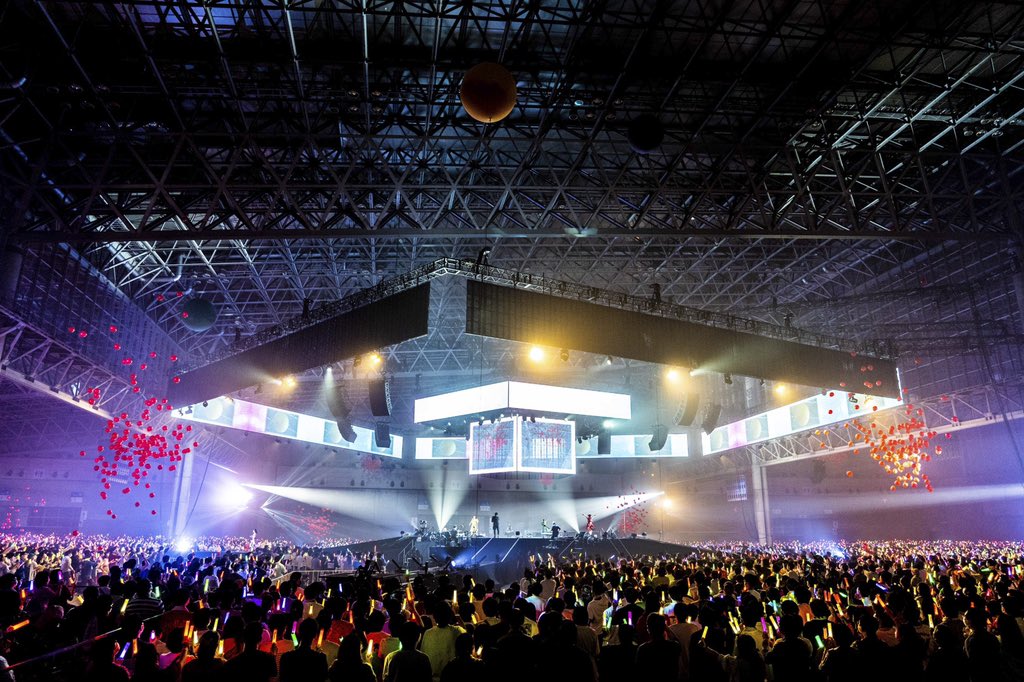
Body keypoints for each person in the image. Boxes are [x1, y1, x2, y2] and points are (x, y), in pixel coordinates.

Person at [420, 603, 464, 681]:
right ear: (450, 615)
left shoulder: (428, 633)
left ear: (434, 617)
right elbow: (467, 638)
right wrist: (459, 618)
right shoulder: (457, 631)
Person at [279, 617, 329, 682]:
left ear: (299, 632)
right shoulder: (321, 659)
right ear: (315, 635)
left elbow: (282, 678)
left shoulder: (286, 657)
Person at [635, 613, 681, 680]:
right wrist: (667, 629)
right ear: (664, 628)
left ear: (648, 629)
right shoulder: (673, 646)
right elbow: (678, 642)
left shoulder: (643, 649)